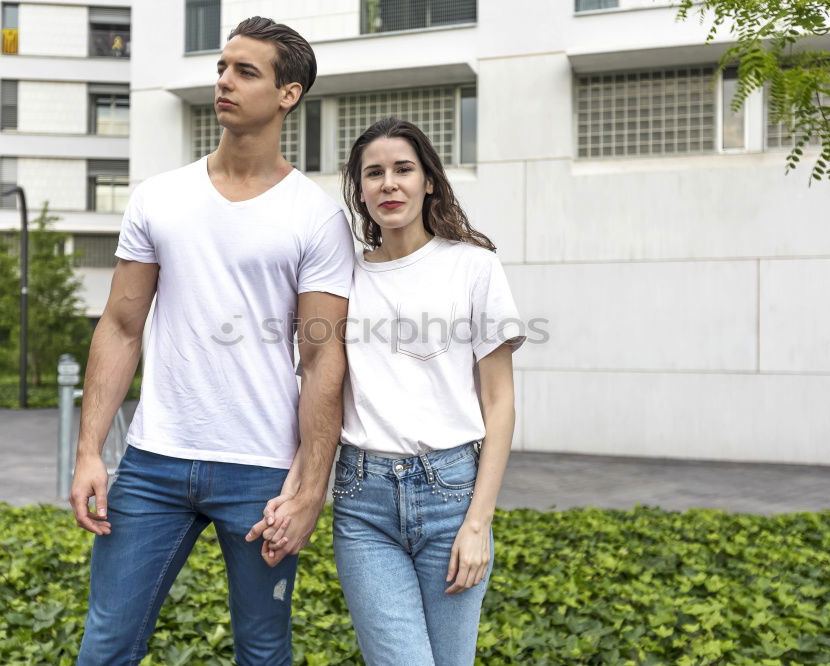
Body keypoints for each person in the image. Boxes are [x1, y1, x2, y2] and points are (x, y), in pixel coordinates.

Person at [70, 16, 354, 666]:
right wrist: (90, 452)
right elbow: (120, 325)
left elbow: (321, 357)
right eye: (223, 67)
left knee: (262, 650)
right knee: (107, 646)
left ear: (289, 94)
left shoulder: (316, 217)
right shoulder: (159, 198)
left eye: (245, 71)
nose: (224, 81)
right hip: (151, 462)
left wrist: (311, 489)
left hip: (260, 471)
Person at [257, 117, 524, 665]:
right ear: (359, 190)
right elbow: (321, 395)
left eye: (403, 169)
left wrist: (479, 524)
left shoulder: (474, 266)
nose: (388, 184)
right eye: (372, 173)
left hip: (450, 494)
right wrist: (296, 490)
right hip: (363, 504)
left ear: (429, 180)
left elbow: (499, 403)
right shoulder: (341, 278)